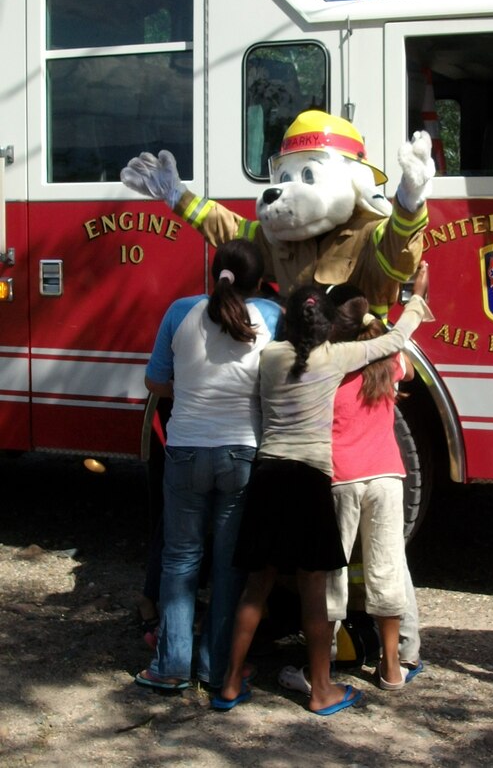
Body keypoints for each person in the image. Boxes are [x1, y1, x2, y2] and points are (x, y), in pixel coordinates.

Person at [212, 262, 432, 714]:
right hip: (310, 480)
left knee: (257, 585)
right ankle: (321, 690)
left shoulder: (270, 357)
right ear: (327, 324)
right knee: (316, 590)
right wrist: (413, 300)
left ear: (286, 321)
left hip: (268, 476)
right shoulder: (336, 357)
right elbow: (393, 342)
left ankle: (230, 682)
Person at [135, 238, 283, 692]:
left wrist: (193, 395)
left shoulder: (179, 311)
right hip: (242, 452)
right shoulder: (272, 317)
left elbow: (155, 380)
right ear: (259, 281)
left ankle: (170, 666)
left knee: (180, 559)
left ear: (212, 272)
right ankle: (217, 666)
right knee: (228, 566)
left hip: (184, 450)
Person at [325, 285, 425, 690]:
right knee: (387, 568)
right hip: (387, 475)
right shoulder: (389, 360)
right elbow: (411, 372)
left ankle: (324, 659)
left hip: (341, 476)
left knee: (331, 571)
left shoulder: (327, 362)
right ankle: (392, 667)